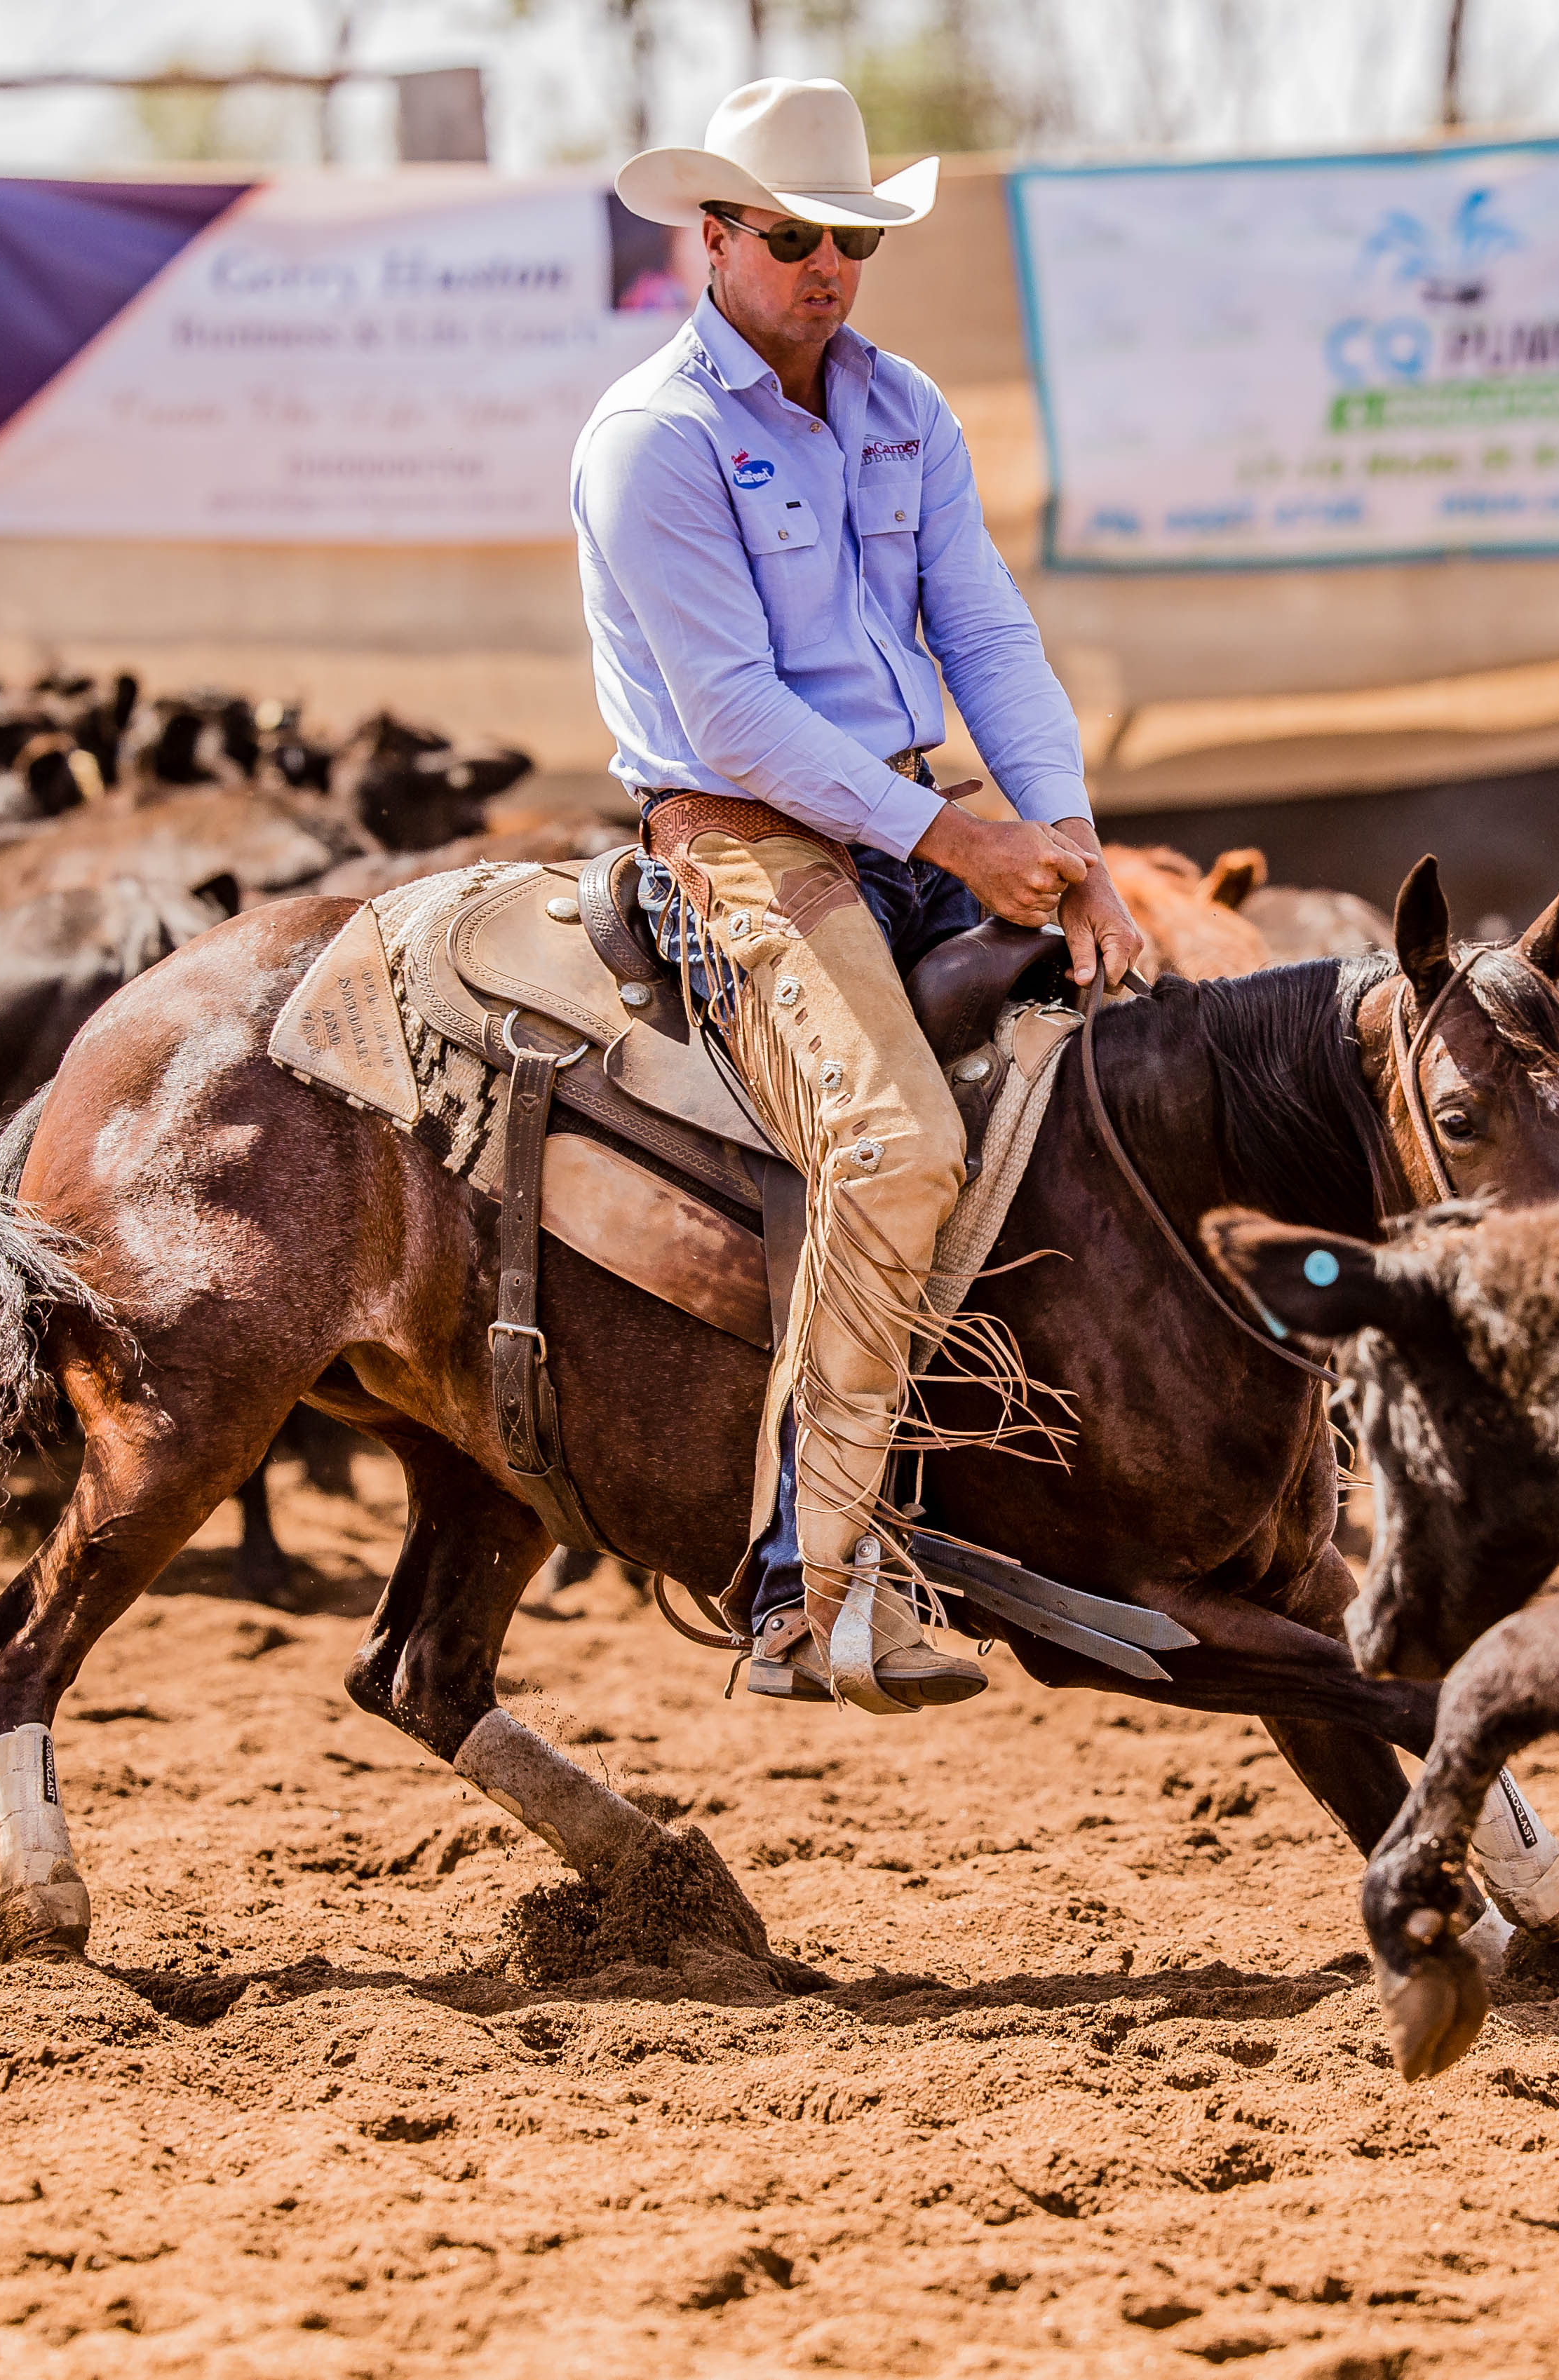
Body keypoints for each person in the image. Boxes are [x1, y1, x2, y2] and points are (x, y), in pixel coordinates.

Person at [577, 78, 1145, 1717]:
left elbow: (987, 633)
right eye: (792, 236)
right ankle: (802, 1585)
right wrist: (964, 842)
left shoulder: (905, 408)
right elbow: (734, 713)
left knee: (1141, 1069)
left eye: (854, 239)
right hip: (742, 832)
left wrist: (1072, 838)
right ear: (712, 239)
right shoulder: (653, 437)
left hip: (908, 814)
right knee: (897, 1148)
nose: (828, 265)